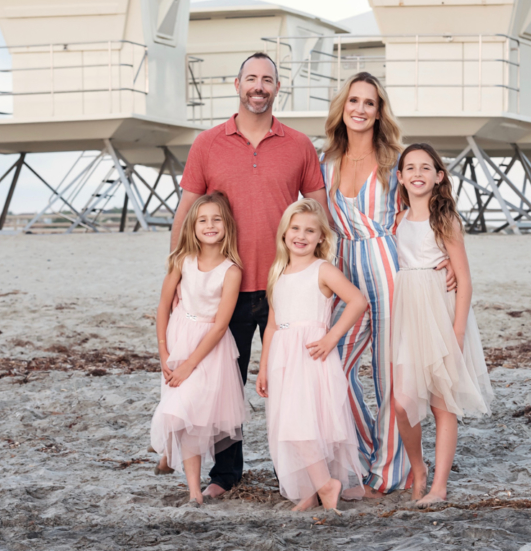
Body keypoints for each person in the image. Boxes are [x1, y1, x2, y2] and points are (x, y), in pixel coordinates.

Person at [172, 52, 331, 497]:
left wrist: (325, 274)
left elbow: (320, 212)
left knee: (288, 385)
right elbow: (186, 214)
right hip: (227, 287)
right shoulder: (207, 144)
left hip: (287, 287)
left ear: (277, 88)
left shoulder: (299, 145)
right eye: (251, 79)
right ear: (237, 84)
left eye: (267, 80)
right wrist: (179, 277)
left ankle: (294, 473)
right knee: (226, 385)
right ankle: (226, 475)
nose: (258, 86)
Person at [320, 72, 455, 496]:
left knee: (390, 379)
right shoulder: (325, 163)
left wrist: (446, 254)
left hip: (389, 264)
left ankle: (390, 471)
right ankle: (364, 450)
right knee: (331, 366)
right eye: (353, 101)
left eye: (370, 103)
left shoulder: (395, 159)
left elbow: (429, 204)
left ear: (380, 113)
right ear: (343, 107)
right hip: (344, 267)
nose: (360, 109)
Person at [391, 143, 494, 506]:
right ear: (400, 177)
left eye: (426, 167)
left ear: (439, 176)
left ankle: (439, 487)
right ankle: (417, 467)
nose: (417, 173)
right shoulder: (398, 220)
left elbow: (464, 279)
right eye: (410, 168)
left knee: (441, 403)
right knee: (402, 402)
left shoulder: (445, 220)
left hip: (440, 313)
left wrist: (459, 331)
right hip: (406, 314)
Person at [255, 199, 368, 511]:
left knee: (303, 423)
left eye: (310, 230)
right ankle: (311, 489)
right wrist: (263, 367)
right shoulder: (277, 272)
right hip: (282, 358)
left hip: (311, 355)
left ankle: (327, 484)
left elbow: (357, 301)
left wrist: (331, 337)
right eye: (295, 228)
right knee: (289, 425)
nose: (301, 235)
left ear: (321, 237)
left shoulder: (323, 269)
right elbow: (272, 325)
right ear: (284, 232)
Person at [150, 191, 247, 506]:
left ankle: (173, 459)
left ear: (227, 225)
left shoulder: (232, 271)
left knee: (192, 412)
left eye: (216, 219)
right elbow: (163, 307)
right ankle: (192, 487)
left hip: (210, 348)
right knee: (178, 407)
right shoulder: (182, 261)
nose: (210, 225)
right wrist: (165, 353)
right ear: (192, 227)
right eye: (203, 220)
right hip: (179, 339)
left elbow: (220, 325)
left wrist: (190, 363)